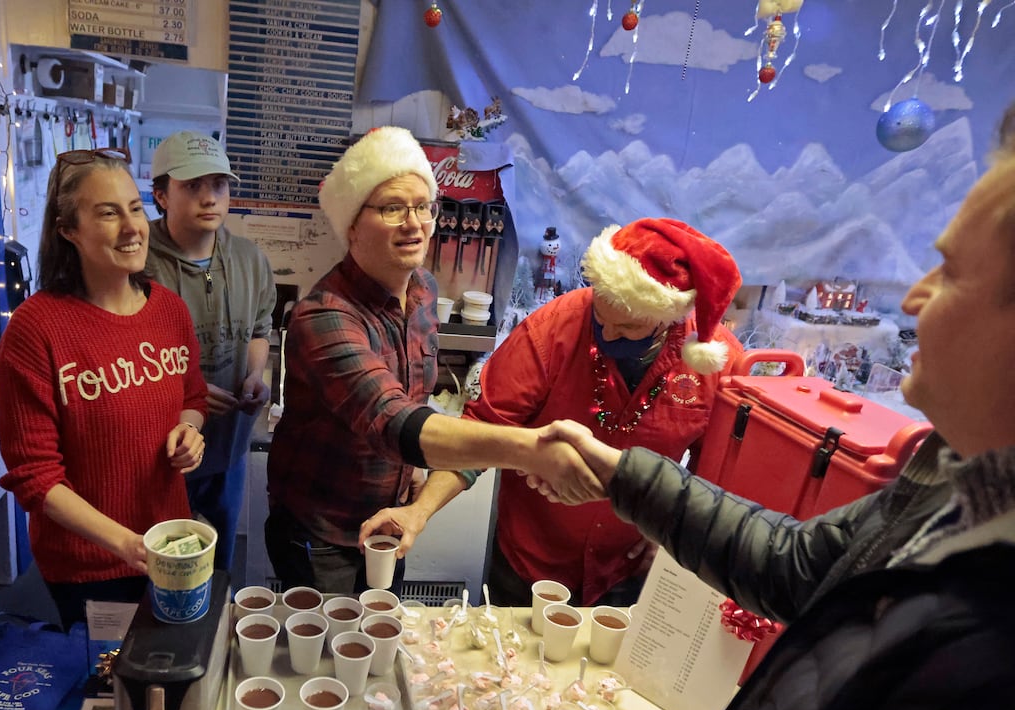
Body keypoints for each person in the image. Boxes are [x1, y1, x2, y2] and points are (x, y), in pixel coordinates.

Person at [568, 104, 1015, 710]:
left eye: (951, 271)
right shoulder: (951, 481)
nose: (913, 296)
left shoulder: (986, 675)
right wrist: (619, 471)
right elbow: (802, 565)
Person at [267, 126, 603, 595]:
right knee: (327, 658)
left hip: (391, 520)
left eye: (424, 206)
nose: (415, 223)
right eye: (391, 208)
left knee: (378, 643)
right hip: (324, 534)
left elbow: (414, 392)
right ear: (350, 225)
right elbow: (393, 420)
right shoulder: (324, 317)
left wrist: (416, 491)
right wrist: (532, 450)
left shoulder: (423, 289)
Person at [362, 219, 743, 607]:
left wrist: (673, 532)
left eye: (626, 329)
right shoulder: (553, 328)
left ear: (668, 318)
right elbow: (482, 429)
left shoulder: (714, 362)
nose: (607, 336)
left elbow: (717, 469)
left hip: (627, 567)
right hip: (530, 561)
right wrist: (419, 511)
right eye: (601, 319)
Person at [0, 148, 207, 628]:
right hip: (89, 566)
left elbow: (192, 397)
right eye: (108, 213)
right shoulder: (36, 329)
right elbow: (35, 475)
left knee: (169, 675)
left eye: (135, 208)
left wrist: (189, 431)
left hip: (170, 543)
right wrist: (126, 543)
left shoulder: (169, 310)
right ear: (68, 230)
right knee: (108, 688)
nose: (132, 226)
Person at [145, 131, 276, 572]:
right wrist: (187, 397)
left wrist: (256, 376)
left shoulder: (249, 258)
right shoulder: (139, 262)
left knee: (220, 562)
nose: (209, 198)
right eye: (192, 186)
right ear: (161, 195)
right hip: (159, 455)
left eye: (218, 184)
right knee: (162, 565)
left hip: (229, 446)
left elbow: (260, 328)